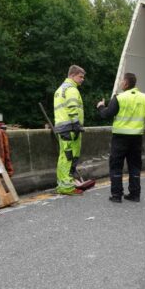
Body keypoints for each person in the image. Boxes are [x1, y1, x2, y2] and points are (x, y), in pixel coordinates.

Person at [97, 72, 145, 203]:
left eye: (121, 81)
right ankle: (135, 194)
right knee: (134, 166)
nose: (120, 83)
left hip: (120, 138)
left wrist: (100, 107)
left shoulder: (119, 98)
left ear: (126, 83)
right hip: (136, 138)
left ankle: (117, 195)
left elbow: (107, 114)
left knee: (116, 165)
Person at [53, 65, 87, 195]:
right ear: (72, 75)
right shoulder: (72, 89)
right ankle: (67, 186)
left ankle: (63, 184)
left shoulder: (60, 89)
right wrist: (77, 124)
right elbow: (72, 107)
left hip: (63, 128)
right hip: (71, 128)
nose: (82, 79)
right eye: (80, 76)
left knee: (64, 156)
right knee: (70, 157)